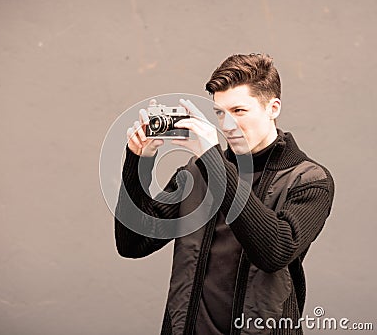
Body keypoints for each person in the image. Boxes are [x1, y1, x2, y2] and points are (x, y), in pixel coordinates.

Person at [114, 53, 335, 335]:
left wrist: (212, 159)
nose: (228, 126)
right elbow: (132, 243)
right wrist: (137, 160)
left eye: (239, 111)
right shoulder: (198, 171)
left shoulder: (310, 180)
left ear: (273, 107)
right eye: (220, 113)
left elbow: (274, 252)